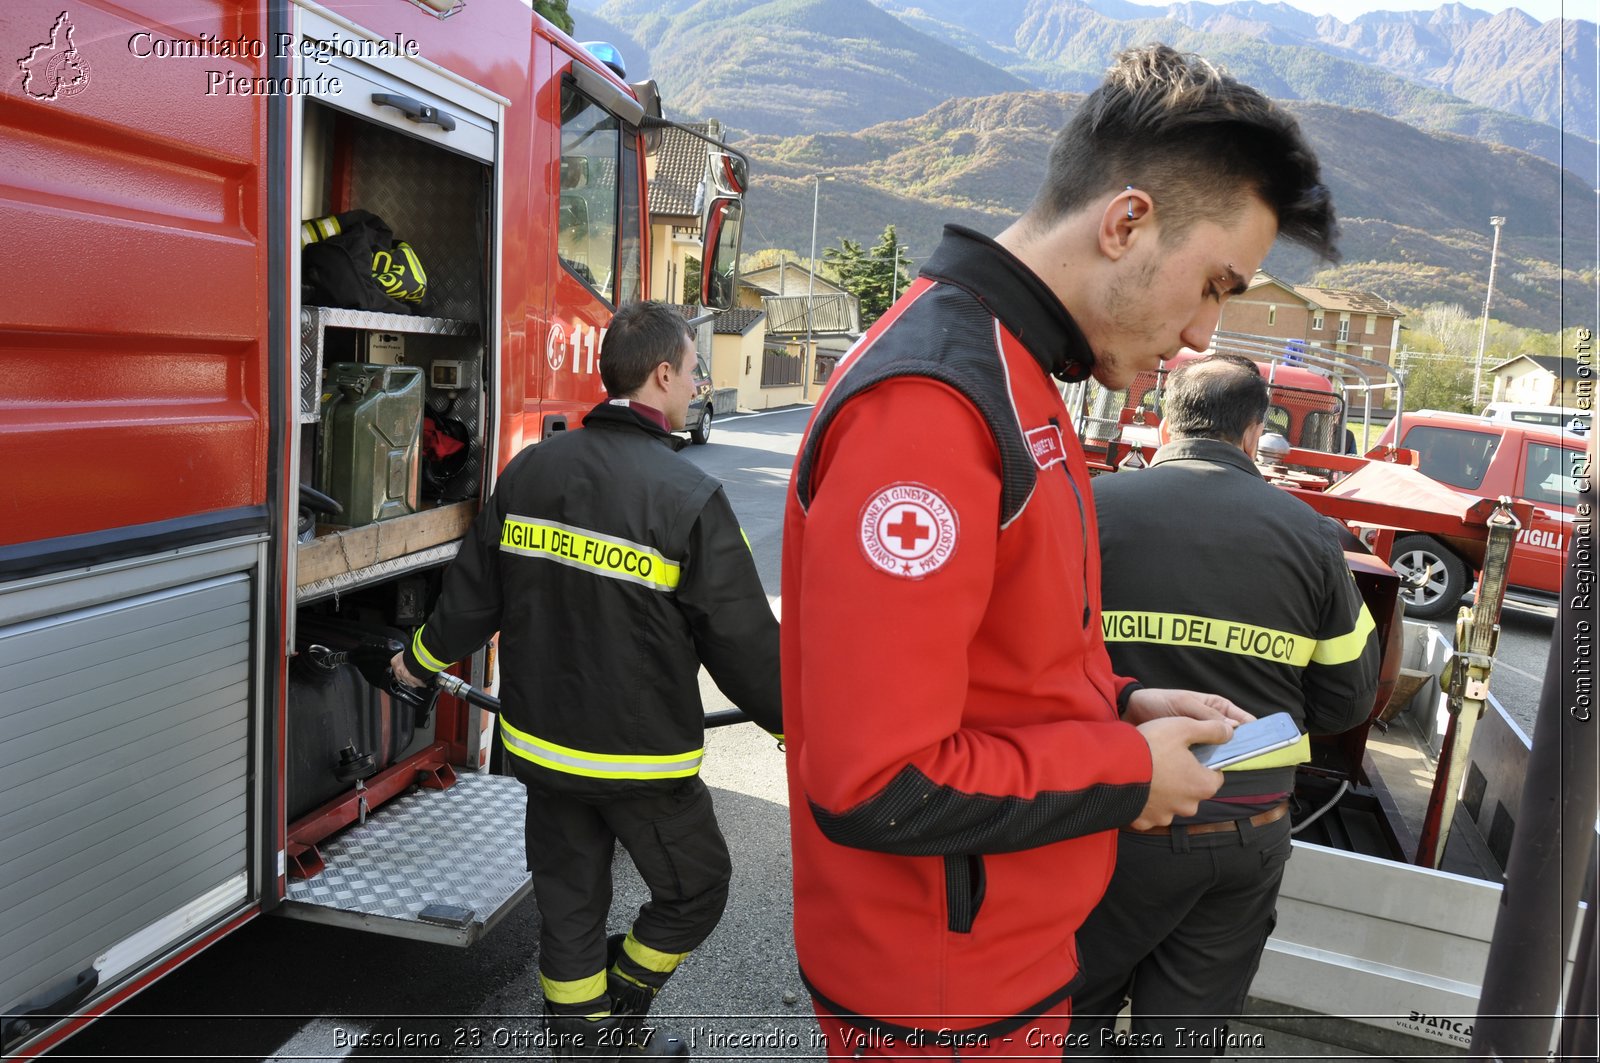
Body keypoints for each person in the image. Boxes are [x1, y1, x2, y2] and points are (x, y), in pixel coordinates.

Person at [780, 44, 1338, 1059]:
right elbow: (874, 778)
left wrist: (1123, 704)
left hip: (997, 956)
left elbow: (993, 661)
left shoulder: (1017, 370)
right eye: (1212, 285)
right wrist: (1124, 772)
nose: (1202, 334)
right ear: (1125, 221)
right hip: (941, 992)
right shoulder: (935, 403)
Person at [392, 300, 782, 1059]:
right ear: (662, 375)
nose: (697, 384)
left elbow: (471, 599)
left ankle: (583, 1043)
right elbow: (741, 638)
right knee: (695, 889)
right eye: (694, 371)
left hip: (543, 750)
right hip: (644, 764)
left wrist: (418, 661)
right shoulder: (689, 497)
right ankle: (626, 993)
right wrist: (796, 726)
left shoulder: (532, 468)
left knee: (569, 913)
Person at [1068, 354, 1380, 1056]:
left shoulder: (1089, 507)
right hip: (1240, 830)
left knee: (1060, 1014)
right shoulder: (1314, 537)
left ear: (1161, 423)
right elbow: (1345, 700)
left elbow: (1026, 664)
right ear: (1253, 434)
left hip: (1103, 818)